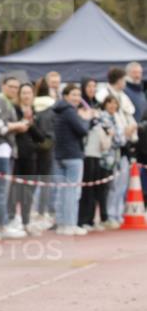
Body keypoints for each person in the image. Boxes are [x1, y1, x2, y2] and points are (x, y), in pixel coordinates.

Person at [0, 75, 30, 238]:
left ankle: (0, 223)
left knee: (1, 189)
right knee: (0, 189)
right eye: (11, 86)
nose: (14, 90)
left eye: (17, 87)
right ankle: (0, 225)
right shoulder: (0, 100)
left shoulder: (6, 102)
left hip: (4, 149)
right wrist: (18, 125)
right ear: (3, 86)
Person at [96, 68, 138, 226]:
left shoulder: (124, 96)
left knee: (122, 183)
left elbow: (129, 115)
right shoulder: (102, 94)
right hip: (112, 149)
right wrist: (123, 134)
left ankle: (118, 212)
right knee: (112, 183)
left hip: (126, 144)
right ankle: (110, 214)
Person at [52, 83, 94, 235]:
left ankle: (63, 223)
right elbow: (82, 130)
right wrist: (86, 119)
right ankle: (69, 224)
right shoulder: (69, 111)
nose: (77, 98)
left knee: (63, 191)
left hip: (60, 154)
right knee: (72, 191)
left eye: (78, 95)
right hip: (72, 155)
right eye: (73, 95)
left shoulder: (58, 110)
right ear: (65, 96)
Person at [8, 82, 46, 233]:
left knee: (28, 190)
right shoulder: (14, 110)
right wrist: (19, 124)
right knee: (14, 189)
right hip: (16, 155)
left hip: (31, 155)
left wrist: (30, 124)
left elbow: (41, 137)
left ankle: (26, 220)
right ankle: (11, 219)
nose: (26, 96)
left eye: (29, 93)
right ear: (19, 95)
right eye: (23, 93)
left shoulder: (36, 112)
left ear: (33, 95)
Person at [78, 95, 114, 231]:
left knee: (93, 190)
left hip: (97, 156)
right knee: (86, 190)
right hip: (86, 156)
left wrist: (107, 132)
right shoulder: (84, 120)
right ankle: (82, 220)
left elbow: (106, 141)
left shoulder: (98, 122)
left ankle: (91, 219)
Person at [31, 77, 57, 227]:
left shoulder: (31, 107)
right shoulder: (53, 108)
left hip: (33, 146)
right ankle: (42, 212)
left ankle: (32, 212)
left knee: (31, 181)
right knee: (46, 182)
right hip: (48, 147)